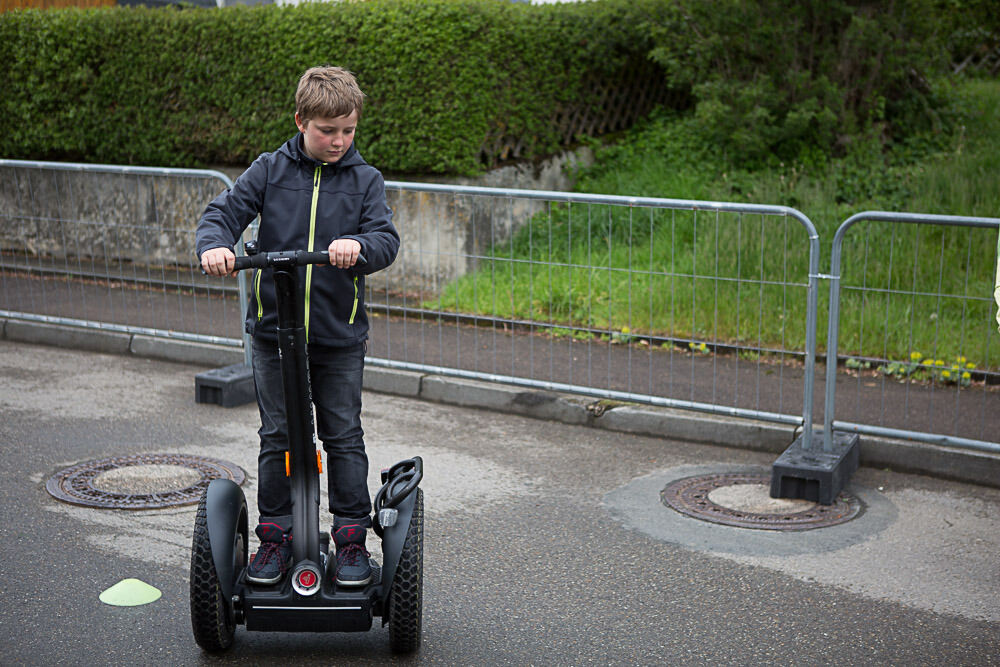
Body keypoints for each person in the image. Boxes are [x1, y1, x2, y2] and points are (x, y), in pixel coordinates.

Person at [196, 65, 400, 588]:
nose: (338, 141)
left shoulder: (364, 181)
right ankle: (275, 537)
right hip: (273, 333)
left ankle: (351, 539)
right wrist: (215, 245)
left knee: (343, 436)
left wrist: (359, 249)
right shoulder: (269, 170)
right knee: (279, 437)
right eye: (327, 130)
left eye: (348, 130)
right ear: (301, 121)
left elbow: (385, 239)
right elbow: (223, 213)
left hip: (337, 336)